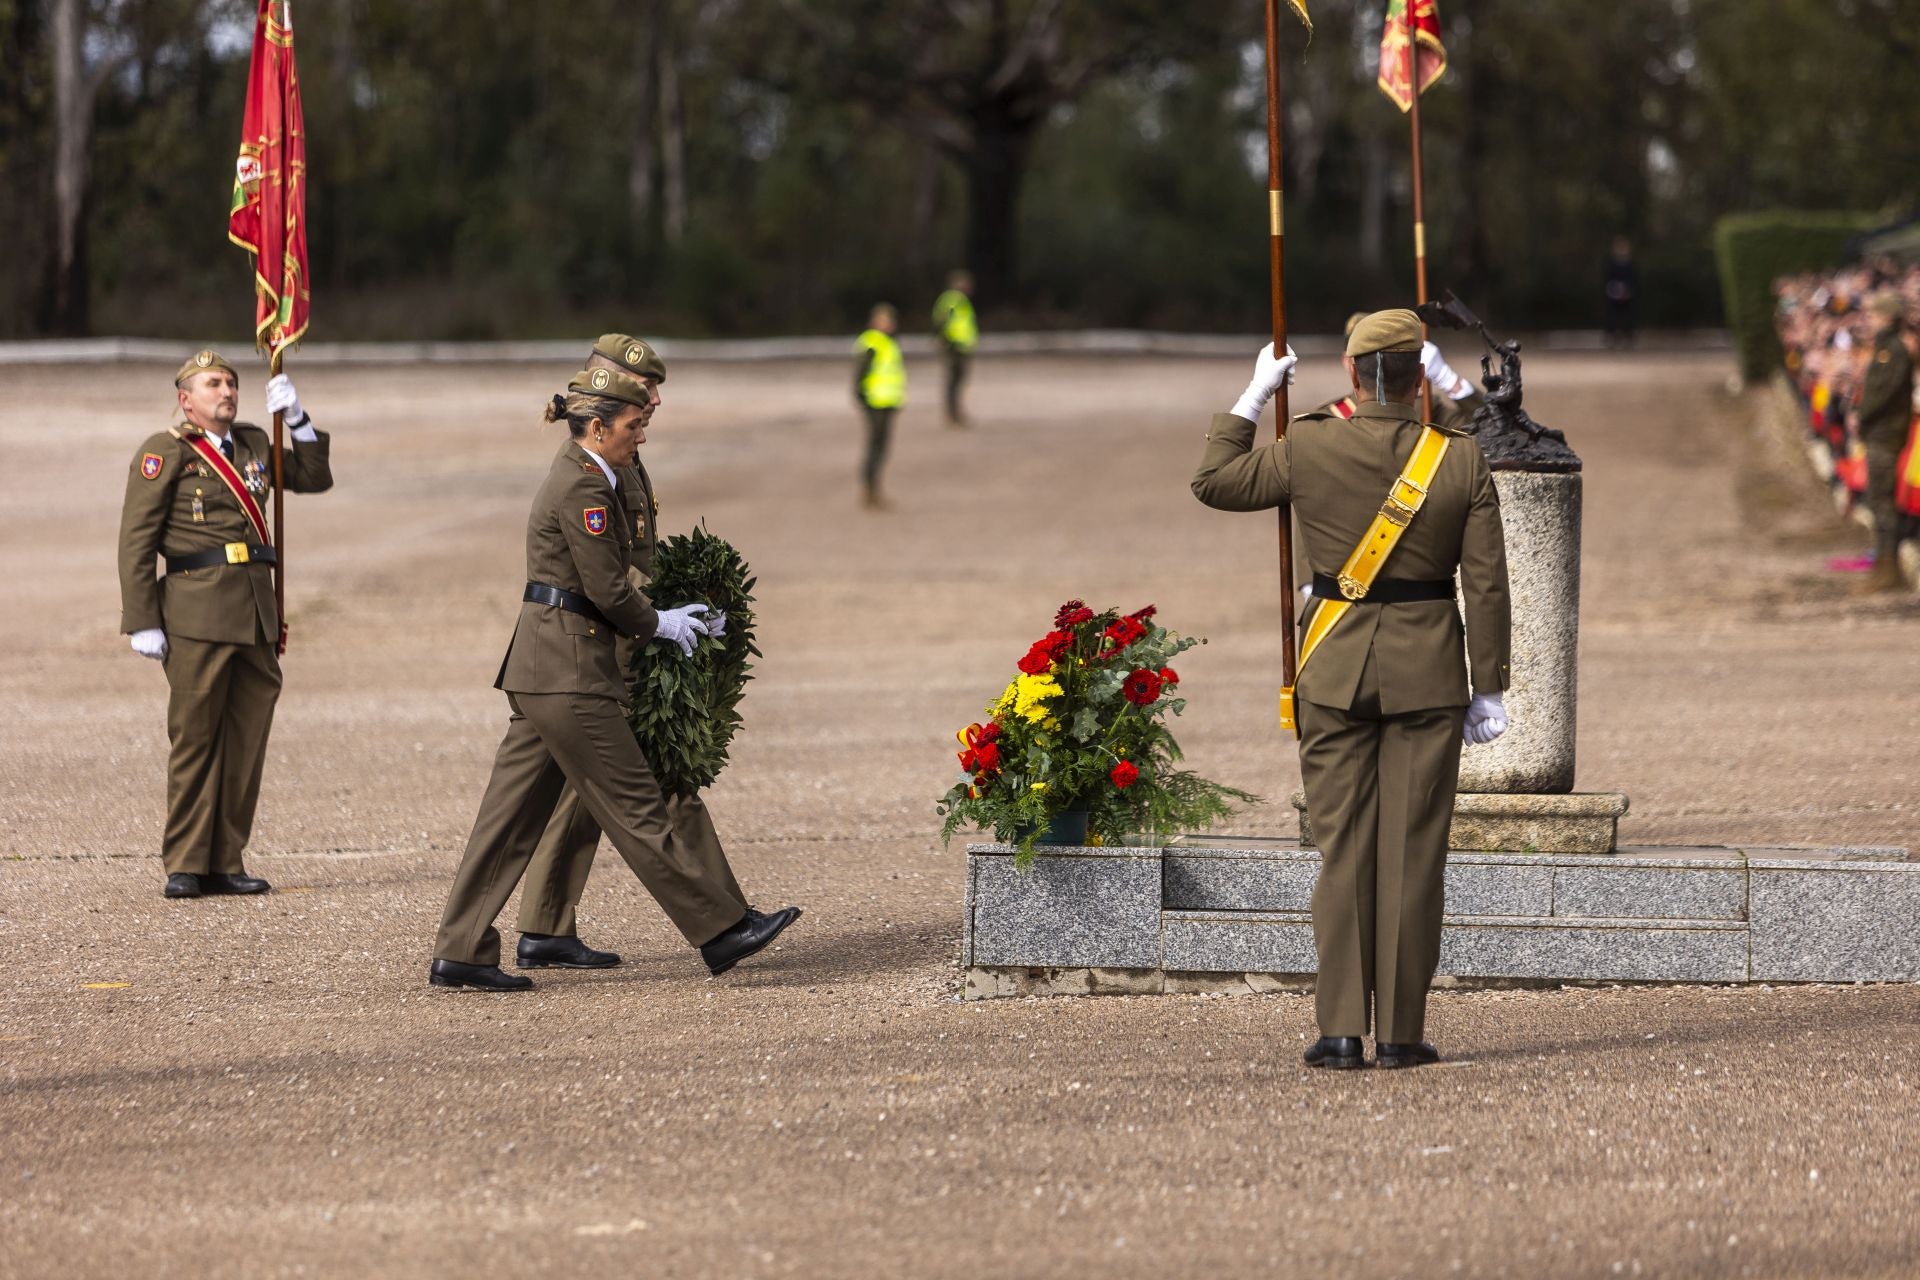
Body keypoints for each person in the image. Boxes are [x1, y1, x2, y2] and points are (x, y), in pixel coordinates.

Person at [1191, 310, 1511, 1070]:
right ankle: (1400, 1033)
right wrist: (1489, 685)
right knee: (1413, 854)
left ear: (1348, 370)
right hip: (1429, 670)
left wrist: (1251, 393)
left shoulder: (1307, 442)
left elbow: (1213, 481)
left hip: (1332, 666)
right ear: (1415, 375)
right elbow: (1488, 582)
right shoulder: (1458, 458)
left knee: (1343, 853)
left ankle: (1339, 1029)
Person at [428, 367, 801, 991]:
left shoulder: (590, 472)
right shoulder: (582, 484)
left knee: (509, 820)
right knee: (637, 805)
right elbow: (604, 587)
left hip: (548, 666)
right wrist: (660, 623)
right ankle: (721, 929)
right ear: (597, 427)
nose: (642, 437)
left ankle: (461, 949)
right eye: (635, 425)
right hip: (570, 671)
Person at [513, 334, 765, 972]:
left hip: (611, 636)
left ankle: (543, 925)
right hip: (607, 639)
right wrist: (660, 623)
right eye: (643, 389)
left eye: (652, 390)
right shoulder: (595, 457)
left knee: (582, 790)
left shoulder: (619, 447)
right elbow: (605, 572)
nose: (651, 402)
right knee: (661, 785)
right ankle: (725, 920)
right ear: (602, 384)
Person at [117, 350, 333, 899]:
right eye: (213, 383)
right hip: (195, 610)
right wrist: (143, 620)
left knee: (245, 741)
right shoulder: (164, 452)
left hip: (256, 611)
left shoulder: (256, 442)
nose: (228, 391)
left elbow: (314, 477)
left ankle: (226, 859)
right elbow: (137, 542)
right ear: (185, 399)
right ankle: (186, 862)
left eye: (233, 382)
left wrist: (301, 418)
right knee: (195, 738)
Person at [1312, 312, 1480, 432]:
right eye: (1366, 357)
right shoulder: (1329, 418)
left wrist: (1449, 380)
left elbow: (1495, 434)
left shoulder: (1427, 409)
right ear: (1347, 363)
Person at [1851, 292, 1916, 593]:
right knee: (1878, 499)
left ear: (1887, 316)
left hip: (1886, 433)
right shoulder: (1884, 348)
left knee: (1882, 500)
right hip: (1881, 432)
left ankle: (1889, 571)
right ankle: (1883, 567)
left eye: (1874, 314)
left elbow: (1881, 394)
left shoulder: (1893, 351)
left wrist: (1861, 415)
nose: (1869, 319)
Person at [853, 303, 906, 509]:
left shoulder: (889, 343)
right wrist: (863, 400)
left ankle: (874, 488)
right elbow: (859, 377)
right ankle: (869, 489)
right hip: (874, 403)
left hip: (888, 402)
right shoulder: (872, 343)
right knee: (874, 446)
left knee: (883, 447)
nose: (889, 324)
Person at [931, 270, 978, 427]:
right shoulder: (953, 300)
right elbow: (942, 322)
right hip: (954, 347)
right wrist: (946, 342)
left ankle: (955, 412)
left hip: (961, 346)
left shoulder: (960, 301)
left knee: (958, 380)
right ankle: (953, 414)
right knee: (954, 381)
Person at [1603, 237, 1637, 349]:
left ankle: (1628, 337)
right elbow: (1607, 279)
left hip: (1627, 295)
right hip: (1613, 295)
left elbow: (1633, 279)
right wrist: (1613, 290)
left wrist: (1628, 290)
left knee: (1627, 316)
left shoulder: (1630, 264)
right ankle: (1611, 338)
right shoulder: (1611, 264)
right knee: (1612, 316)